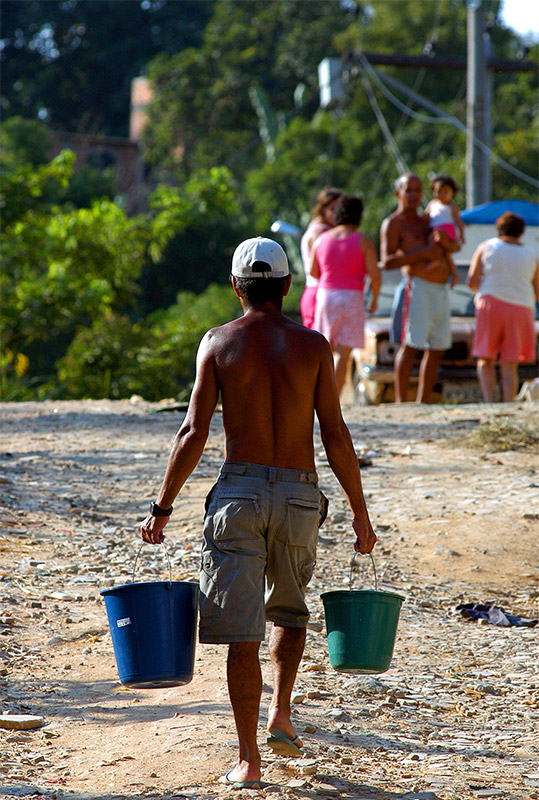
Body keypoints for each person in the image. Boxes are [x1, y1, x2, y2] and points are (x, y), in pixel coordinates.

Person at [140, 236, 377, 790]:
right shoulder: (316, 347)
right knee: (290, 613)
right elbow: (335, 434)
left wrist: (162, 506)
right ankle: (281, 713)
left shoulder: (218, 343)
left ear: (235, 286)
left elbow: (193, 431)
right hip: (299, 493)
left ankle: (248, 760)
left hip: (239, 494)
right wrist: (361, 517)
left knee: (242, 632)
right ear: (288, 286)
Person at [380, 173, 459, 403]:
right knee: (411, 345)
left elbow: (453, 245)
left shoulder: (428, 219)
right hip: (417, 288)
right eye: (409, 190)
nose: (414, 195)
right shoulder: (394, 223)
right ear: (398, 193)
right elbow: (387, 261)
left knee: (437, 347)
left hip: (441, 288)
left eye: (417, 190)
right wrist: (424, 253)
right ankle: (401, 401)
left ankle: (423, 401)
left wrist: (446, 243)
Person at [309, 194, 381, 396]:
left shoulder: (321, 240)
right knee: (343, 353)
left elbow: (313, 271)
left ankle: (317, 397)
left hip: (326, 297)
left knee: (325, 351)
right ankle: (334, 399)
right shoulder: (363, 241)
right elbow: (374, 274)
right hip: (352, 298)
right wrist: (374, 299)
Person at [466, 212, 539, 403]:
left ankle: (489, 402)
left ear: (499, 229)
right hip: (521, 308)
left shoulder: (486, 246)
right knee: (509, 363)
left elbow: (472, 280)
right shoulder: (531, 254)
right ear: (520, 232)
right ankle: (508, 404)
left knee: (486, 358)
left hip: (491, 304)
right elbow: (537, 290)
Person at [300, 186, 342, 328]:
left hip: (318, 294)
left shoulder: (322, 227)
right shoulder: (321, 232)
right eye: (333, 209)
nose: (337, 214)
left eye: (340, 209)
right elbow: (319, 271)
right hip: (318, 294)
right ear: (323, 209)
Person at [423, 174, 465, 289]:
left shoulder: (452, 207)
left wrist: (461, 235)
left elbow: (458, 221)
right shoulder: (432, 204)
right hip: (434, 229)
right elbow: (426, 216)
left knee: (432, 241)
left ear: (452, 193)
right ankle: (455, 276)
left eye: (445, 191)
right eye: (439, 191)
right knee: (446, 254)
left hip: (446, 231)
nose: (441, 195)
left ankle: (435, 260)